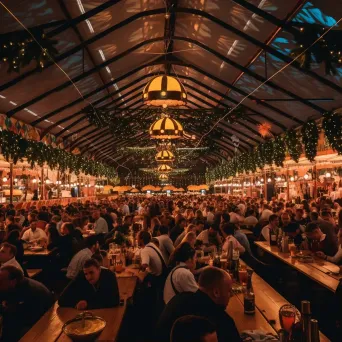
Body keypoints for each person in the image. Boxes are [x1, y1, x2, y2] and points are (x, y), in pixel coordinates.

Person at [156, 267, 240, 342]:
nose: (231, 294)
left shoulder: (179, 298)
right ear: (216, 292)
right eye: (229, 291)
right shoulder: (221, 319)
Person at [0, 266, 53, 341]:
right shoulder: (13, 285)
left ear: (13, 282)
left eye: (0, 281)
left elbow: (21, 318)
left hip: (40, 326)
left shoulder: (32, 293)